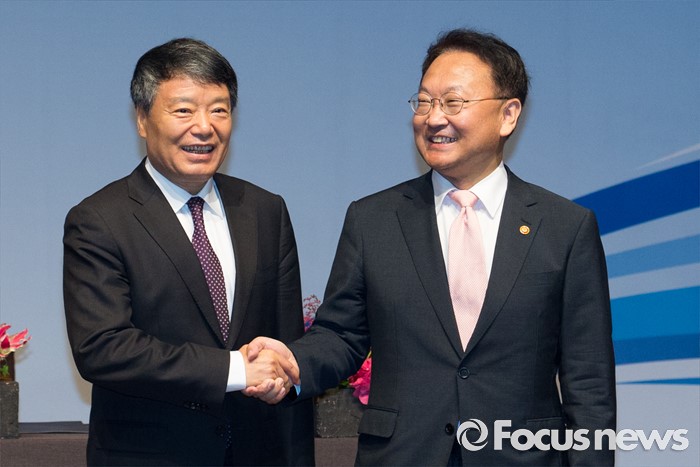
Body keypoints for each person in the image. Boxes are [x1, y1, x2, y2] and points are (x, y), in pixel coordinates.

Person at [245, 28, 616, 466]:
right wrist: (292, 362)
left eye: (453, 102)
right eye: (424, 102)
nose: (433, 118)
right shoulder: (373, 219)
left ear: (508, 115)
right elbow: (342, 336)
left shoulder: (565, 227)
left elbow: (589, 381)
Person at [63, 38, 314, 466]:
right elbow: (103, 348)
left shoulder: (265, 210)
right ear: (142, 119)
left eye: (219, 110)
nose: (204, 127)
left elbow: (285, 340)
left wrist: (281, 379)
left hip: (257, 453)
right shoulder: (99, 220)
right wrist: (234, 369)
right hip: (150, 456)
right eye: (183, 110)